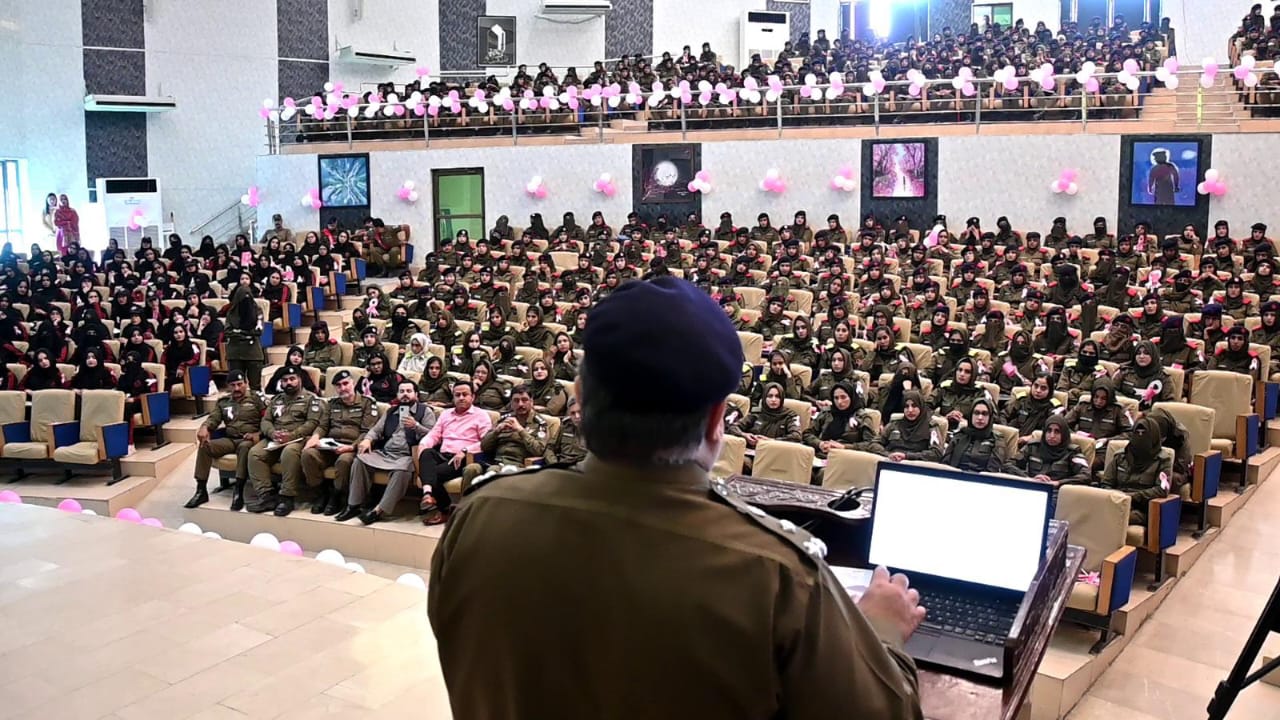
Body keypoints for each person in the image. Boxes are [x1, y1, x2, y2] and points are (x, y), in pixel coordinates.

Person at [428, 277, 924, 719]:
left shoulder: (478, 517)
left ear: (578, 399)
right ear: (716, 420)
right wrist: (883, 632)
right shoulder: (777, 576)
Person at [339, 380, 436, 524]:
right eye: (402, 392)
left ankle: (379, 510)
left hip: (408, 454)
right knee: (360, 460)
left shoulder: (425, 411)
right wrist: (367, 439)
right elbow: (376, 430)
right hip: (386, 452)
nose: (405, 395)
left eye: (409, 392)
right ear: (397, 394)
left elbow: (433, 436)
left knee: (402, 470)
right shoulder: (391, 411)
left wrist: (416, 426)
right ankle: (354, 505)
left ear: (416, 394)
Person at [246, 366, 323, 516]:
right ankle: (267, 495)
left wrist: (292, 435)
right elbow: (266, 420)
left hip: (299, 438)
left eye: (292, 379)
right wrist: (272, 433)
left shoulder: (310, 399)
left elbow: (312, 423)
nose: (289, 383)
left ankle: (287, 497)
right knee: (255, 453)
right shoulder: (276, 400)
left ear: (299, 380)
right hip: (275, 438)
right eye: (285, 380)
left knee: (289, 452)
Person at [301, 369, 380, 515]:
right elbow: (323, 426)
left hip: (352, 447)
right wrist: (315, 437)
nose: (343, 388)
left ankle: (337, 496)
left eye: (346, 383)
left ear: (353, 383)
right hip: (330, 445)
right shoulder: (331, 404)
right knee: (308, 454)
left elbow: (368, 432)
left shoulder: (367, 403)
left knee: (343, 461)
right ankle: (321, 493)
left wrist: (351, 447)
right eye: (338, 385)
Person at [417, 380, 494, 525]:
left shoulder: (481, 415)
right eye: (457, 395)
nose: (461, 398)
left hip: (465, 457)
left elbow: (486, 443)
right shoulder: (446, 414)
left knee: (431, 473)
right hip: (444, 455)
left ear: (473, 397)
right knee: (426, 453)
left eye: (465, 394)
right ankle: (428, 495)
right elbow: (434, 434)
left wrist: (465, 450)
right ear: (453, 397)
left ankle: (444, 509)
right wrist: (423, 444)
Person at [189, 370, 266, 510]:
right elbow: (214, 418)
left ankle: (239, 490)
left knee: (244, 447)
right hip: (230, 439)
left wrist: (259, 433)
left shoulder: (256, 399)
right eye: (233, 385)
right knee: (205, 446)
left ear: (246, 383)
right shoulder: (223, 402)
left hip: (249, 439)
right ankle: (201, 490)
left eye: (240, 384)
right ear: (228, 386)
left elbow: (268, 420)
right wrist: (205, 427)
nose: (236, 388)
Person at [461, 384, 551, 485]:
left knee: (493, 473)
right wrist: (496, 431)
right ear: (511, 403)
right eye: (516, 401)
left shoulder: (539, 423)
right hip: (495, 462)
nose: (520, 404)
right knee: (471, 469)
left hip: (519, 466)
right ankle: (467, 500)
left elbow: (539, 450)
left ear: (531, 401)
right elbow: (484, 446)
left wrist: (521, 430)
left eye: (524, 400)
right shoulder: (504, 419)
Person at [1010, 415, 1092, 485]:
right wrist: (1027, 478)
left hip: (1056, 493)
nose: (1052, 436)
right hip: (1031, 487)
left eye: (1057, 432)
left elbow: (1086, 476)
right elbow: (1009, 464)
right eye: (1049, 431)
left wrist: (1059, 483)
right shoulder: (1033, 447)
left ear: (1064, 434)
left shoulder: (1072, 452)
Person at [942, 399, 1007, 473]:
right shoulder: (960, 435)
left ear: (990, 417)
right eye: (976, 413)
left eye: (984, 414)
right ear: (971, 415)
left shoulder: (997, 440)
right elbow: (945, 464)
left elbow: (993, 470)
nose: (980, 417)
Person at [224, 278, 265, 389]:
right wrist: (245, 334)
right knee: (236, 385)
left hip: (253, 354)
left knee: (255, 386)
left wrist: (239, 332)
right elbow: (228, 331)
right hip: (235, 353)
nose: (246, 300)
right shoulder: (231, 312)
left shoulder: (258, 311)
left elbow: (258, 331)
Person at [543, 396, 586, 464]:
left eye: (580, 412)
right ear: (569, 413)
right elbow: (549, 449)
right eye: (573, 413)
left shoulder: (595, 428)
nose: (577, 416)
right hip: (564, 467)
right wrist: (555, 464)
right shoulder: (565, 426)